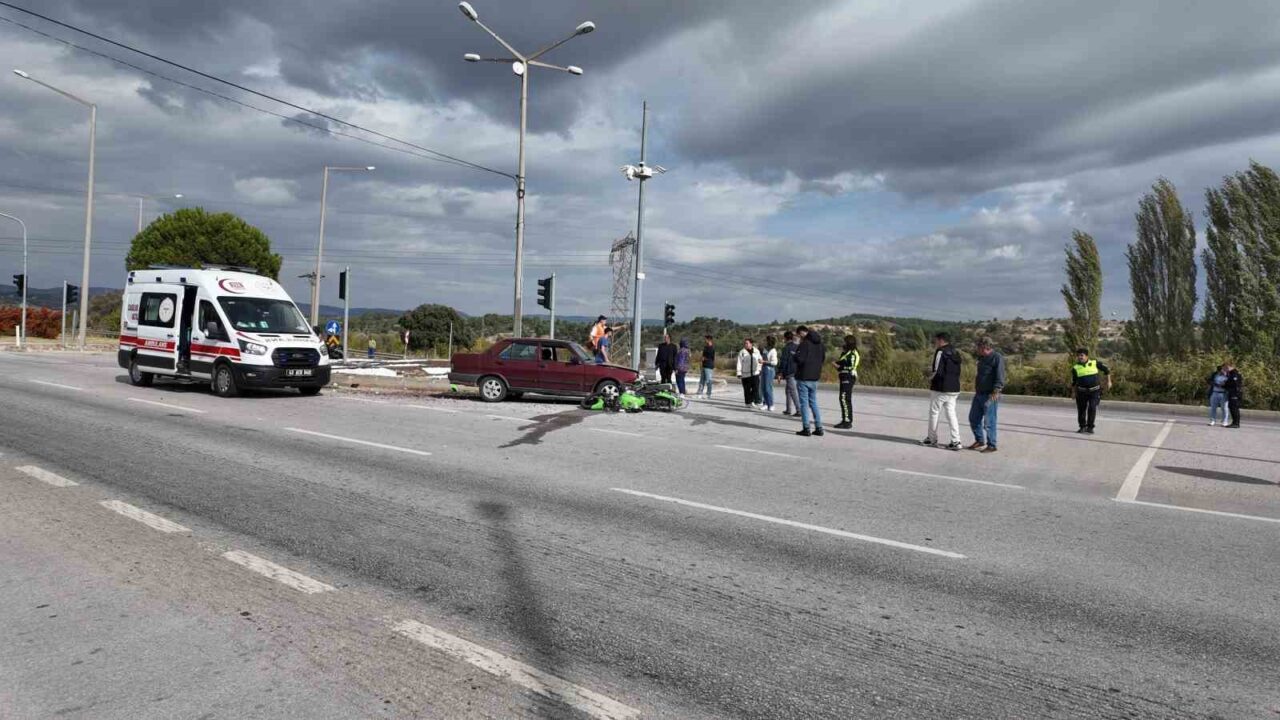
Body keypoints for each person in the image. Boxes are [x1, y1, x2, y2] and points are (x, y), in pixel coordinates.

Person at [922, 332, 962, 450]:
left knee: (934, 413)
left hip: (941, 388)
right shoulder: (956, 352)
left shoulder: (940, 352)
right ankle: (956, 441)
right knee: (951, 414)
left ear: (941, 340)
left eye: (936, 340)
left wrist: (929, 379)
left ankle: (931, 439)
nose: (935, 343)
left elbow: (936, 370)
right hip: (954, 388)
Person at [969, 337, 1005, 452]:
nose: (977, 349)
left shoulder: (997, 358)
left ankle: (992, 445)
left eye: (978, 347)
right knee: (973, 418)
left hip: (990, 395)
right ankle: (980, 440)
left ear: (984, 347)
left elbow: (1000, 376)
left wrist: (996, 391)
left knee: (989, 421)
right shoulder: (982, 358)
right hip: (979, 394)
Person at [1069, 348, 1111, 434]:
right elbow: (1074, 382)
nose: (1080, 357)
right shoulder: (1075, 368)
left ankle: (1090, 427)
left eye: (1082, 355)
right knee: (1081, 410)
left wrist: (1109, 381)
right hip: (1081, 392)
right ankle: (1082, 427)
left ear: (1087, 356)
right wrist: (1073, 393)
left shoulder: (1094, 363)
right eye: (1078, 356)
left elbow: (1107, 370)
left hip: (1094, 391)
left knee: (1092, 407)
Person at [793, 326, 825, 436]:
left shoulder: (805, 344)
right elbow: (822, 359)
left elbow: (800, 359)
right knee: (814, 402)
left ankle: (806, 428)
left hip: (804, 377)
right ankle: (819, 427)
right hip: (815, 377)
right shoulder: (820, 345)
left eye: (799, 334)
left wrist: (795, 355)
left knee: (804, 404)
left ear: (802, 333)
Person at [833, 335, 860, 429]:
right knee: (843, 398)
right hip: (844, 376)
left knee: (844, 398)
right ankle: (846, 419)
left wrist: (838, 367)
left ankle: (847, 421)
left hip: (848, 376)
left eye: (845, 342)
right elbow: (842, 362)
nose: (843, 343)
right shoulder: (846, 352)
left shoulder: (853, 353)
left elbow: (851, 366)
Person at [736, 338, 763, 409]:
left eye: (747, 343)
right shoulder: (742, 352)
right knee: (747, 389)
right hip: (745, 374)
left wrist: (759, 369)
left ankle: (752, 401)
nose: (746, 344)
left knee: (755, 388)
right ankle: (748, 403)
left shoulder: (757, 351)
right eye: (745, 343)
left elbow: (760, 360)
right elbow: (739, 363)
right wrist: (739, 373)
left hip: (755, 373)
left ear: (751, 344)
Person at [779, 330, 800, 416]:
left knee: (793, 391)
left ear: (785, 338)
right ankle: (788, 409)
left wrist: (780, 372)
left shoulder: (786, 348)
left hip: (789, 372)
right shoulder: (797, 347)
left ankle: (799, 410)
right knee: (788, 391)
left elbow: (783, 361)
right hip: (797, 371)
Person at [1222, 361, 1244, 428]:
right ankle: (1234, 422)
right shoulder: (1231, 374)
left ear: (1228, 367)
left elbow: (1235, 384)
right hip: (1232, 393)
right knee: (1232, 408)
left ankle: (1236, 423)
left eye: (1225, 368)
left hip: (1235, 394)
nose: (1224, 370)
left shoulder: (1234, 374)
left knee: (1234, 408)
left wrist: (1225, 385)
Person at [760, 336, 778, 412]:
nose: (765, 341)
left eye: (766, 340)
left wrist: (764, 362)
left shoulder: (773, 350)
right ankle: (765, 403)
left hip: (769, 370)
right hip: (763, 369)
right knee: (763, 387)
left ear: (769, 341)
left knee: (768, 388)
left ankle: (771, 404)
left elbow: (774, 362)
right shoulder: (765, 349)